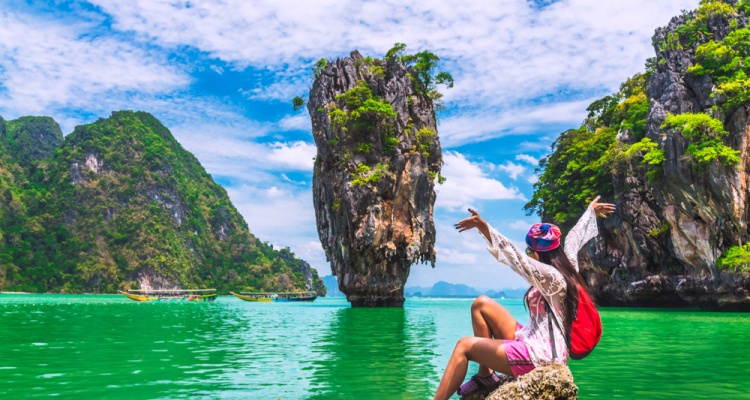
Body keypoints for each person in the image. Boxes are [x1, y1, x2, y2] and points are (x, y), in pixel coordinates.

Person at [433, 196, 615, 400]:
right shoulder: (567, 266)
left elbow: (515, 258)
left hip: (542, 356)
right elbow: (574, 238)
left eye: (530, 250)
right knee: (481, 304)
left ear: (538, 253)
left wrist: (484, 227)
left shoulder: (551, 276)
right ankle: (485, 375)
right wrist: (590, 211)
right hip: (532, 337)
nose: (528, 255)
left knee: (464, 346)